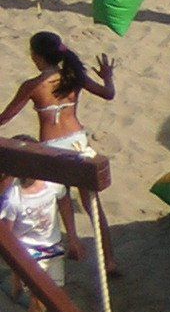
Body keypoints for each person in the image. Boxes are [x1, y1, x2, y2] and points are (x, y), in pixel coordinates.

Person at [0, 32, 117, 275]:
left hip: (52, 149)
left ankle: (72, 241)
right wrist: (108, 77)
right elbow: (108, 94)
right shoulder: (74, 77)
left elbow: (6, 117)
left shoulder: (33, 86)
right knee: (92, 204)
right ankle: (110, 260)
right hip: (78, 142)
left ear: (36, 56)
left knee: (60, 200)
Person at [1, 168, 79, 312]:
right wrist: (17, 263)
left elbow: (64, 203)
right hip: (28, 252)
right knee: (39, 303)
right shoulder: (13, 198)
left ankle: (17, 279)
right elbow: (8, 237)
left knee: (56, 294)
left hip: (52, 247)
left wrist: (73, 237)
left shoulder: (53, 185)